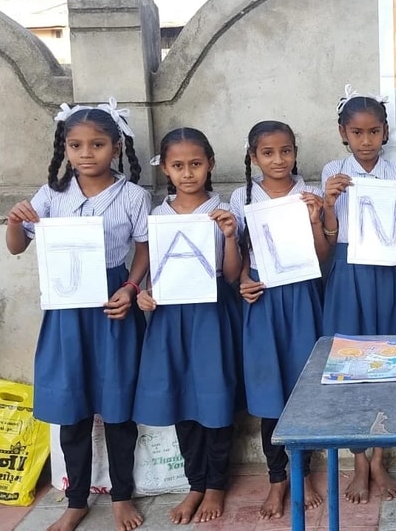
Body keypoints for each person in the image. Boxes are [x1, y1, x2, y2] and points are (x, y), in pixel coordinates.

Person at [5, 101, 148, 531]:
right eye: (76, 145)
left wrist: (130, 287)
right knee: (74, 410)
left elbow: (143, 247)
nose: (87, 153)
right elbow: (17, 245)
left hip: (112, 307)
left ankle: (122, 495)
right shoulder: (50, 196)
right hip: (67, 313)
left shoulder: (133, 196)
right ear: (64, 148)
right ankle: (76, 499)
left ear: (116, 146)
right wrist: (15, 221)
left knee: (119, 409)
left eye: (98, 144)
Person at [133, 128, 241, 524]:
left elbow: (231, 275)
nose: (188, 173)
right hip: (170, 318)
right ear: (165, 169)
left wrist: (230, 236)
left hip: (212, 313)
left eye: (195, 164)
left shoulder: (224, 210)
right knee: (181, 397)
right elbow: (154, 274)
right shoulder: (157, 217)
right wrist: (144, 295)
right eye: (177, 166)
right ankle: (195, 482)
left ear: (210, 163)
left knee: (214, 396)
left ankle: (216, 485)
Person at [321, 85, 396, 504]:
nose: (366, 141)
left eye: (374, 132)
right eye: (357, 133)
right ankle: (358, 459)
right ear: (344, 133)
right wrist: (328, 202)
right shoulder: (332, 173)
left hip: (387, 279)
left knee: (390, 362)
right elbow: (328, 237)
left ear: (385, 132)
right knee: (348, 365)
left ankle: (379, 458)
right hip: (347, 275)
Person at [230, 121, 328, 517]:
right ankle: (277, 479)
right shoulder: (242, 197)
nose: (278, 160)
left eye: (286, 151)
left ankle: (302, 472)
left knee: (301, 386)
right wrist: (241, 280)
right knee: (269, 392)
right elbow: (234, 255)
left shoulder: (309, 194)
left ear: (295, 153)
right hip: (262, 300)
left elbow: (323, 258)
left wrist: (316, 219)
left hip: (302, 297)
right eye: (268, 153)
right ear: (253, 157)